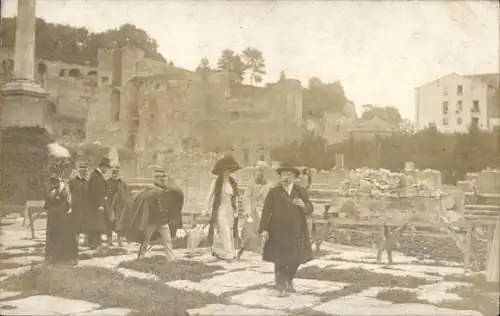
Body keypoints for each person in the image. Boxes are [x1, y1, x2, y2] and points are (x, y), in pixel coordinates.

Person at [259, 161, 314, 297]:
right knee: (280, 259)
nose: (286, 177)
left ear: (294, 177)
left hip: (297, 230)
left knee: (296, 259)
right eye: (283, 174)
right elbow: (267, 211)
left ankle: (288, 280)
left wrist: (303, 205)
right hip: (278, 230)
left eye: (289, 174)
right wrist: (264, 229)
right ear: (280, 176)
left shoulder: (300, 191)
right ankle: (280, 286)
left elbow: (310, 208)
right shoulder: (274, 192)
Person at [116, 168, 184, 260]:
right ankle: (140, 257)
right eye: (162, 180)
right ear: (157, 180)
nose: (164, 181)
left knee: (167, 240)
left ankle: (171, 258)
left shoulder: (166, 191)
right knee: (146, 240)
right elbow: (145, 206)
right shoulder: (151, 191)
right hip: (152, 221)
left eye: (164, 179)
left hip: (163, 221)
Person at [203, 154, 241, 261]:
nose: (226, 173)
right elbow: (209, 196)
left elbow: (235, 198)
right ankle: (229, 252)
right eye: (224, 171)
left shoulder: (232, 183)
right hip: (220, 209)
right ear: (221, 172)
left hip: (230, 209)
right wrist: (206, 210)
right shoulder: (216, 182)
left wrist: (236, 210)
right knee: (224, 230)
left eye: (228, 171)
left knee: (226, 231)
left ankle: (217, 250)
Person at [238, 161, 271, 260]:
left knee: (264, 232)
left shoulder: (268, 185)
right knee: (248, 234)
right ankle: (240, 251)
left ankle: (262, 252)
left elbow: (269, 199)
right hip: (252, 211)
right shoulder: (251, 184)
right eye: (259, 171)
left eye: (263, 171)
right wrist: (248, 212)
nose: (261, 173)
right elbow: (246, 198)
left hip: (263, 211)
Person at [44, 171, 78, 265]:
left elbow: (68, 200)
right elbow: (48, 200)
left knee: (66, 236)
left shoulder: (65, 186)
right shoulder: (51, 186)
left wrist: (69, 208)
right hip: (54, 215)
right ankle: (51, 257)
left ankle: (66, 257)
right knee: (52, 236)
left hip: (63, 215)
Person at [85, 157, 111, 250]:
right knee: (95, 225)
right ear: (103, 167)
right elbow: (95, 192)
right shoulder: (95, 176)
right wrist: (99, 204)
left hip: (97, 205)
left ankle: (96, 243)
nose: (107, 170)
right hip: (95, 206)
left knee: (98, 225)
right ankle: (93, 244)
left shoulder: (98, 175)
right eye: (107, 168)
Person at [106, 166, 131, 246]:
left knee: (120, 223)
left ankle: (119, 240)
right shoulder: (107, 182)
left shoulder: (122, 183)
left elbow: (127, 194)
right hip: (110, 206)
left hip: (120, 206)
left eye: (116, 173)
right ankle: (109, 240)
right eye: (113, 173)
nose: (115, 175)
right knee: (109, 223)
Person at [68, 162, 88, 246]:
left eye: (85, 171)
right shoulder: (72, 182)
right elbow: (68, 193)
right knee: (75, 224)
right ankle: (75, 241)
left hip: (85, 207)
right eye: (82, 171)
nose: (84, 173)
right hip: (75, 206)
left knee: (85, 224)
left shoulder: (87, 182)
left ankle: (85, 241)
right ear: (79, 171)